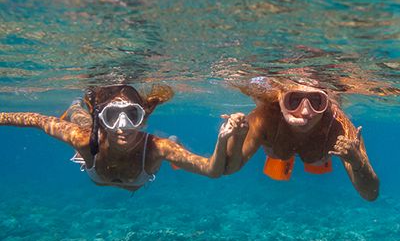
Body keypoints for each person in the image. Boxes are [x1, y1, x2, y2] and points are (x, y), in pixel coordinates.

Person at [0, 84, 247, 192]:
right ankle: (78, 107)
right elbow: (36, 120)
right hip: (95, 136)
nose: (122, 127)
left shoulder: (157, 148)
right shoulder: (85, 141)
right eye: (111, 116)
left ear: (143, 117)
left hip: (145, 163)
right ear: (104, 118)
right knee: (84, 124)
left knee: (169, 147)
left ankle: (86, 111)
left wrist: (223, 138)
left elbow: (212, 171)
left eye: (131, 115)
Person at [224, 77, 379, 201]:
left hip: (318, 151)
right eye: (294, 100)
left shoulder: (339, 125)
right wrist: (235, 137)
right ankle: (292, 161)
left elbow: (370, 194)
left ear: (327, 102)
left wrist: (357, 162)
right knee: (281, 154)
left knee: (315, 159)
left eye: (316, 101)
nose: (305, 111)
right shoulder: (264, 117)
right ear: (281, 99)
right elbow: (228, 165)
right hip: (278, 149)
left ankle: (314, 162)